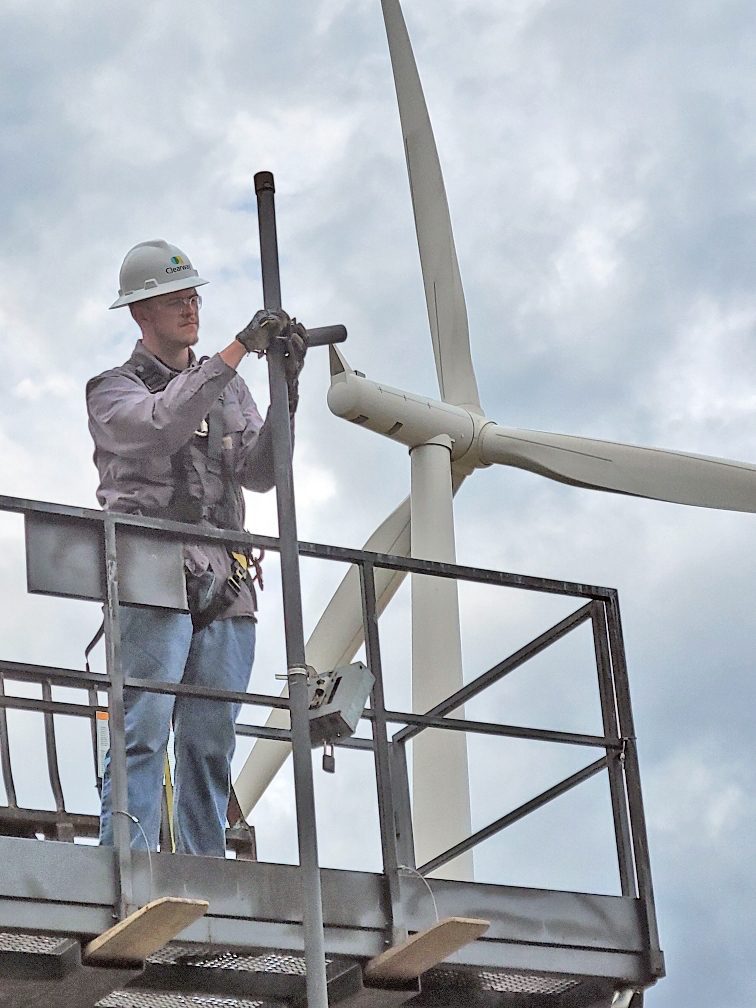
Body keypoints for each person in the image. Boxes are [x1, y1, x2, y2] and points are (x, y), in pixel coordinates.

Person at [86, 238, 306, 855]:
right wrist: (235, 354)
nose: (189, 306)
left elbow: (263, 471)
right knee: (143, 728)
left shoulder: (229, 388)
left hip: (226, 579)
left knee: (210, 743)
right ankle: (124, 868)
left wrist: (288, 382)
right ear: (140, 314)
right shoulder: (111, 390)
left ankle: (206, 874)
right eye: (173, 298)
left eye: (193, 295)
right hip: (150, 569)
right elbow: (161, 425)